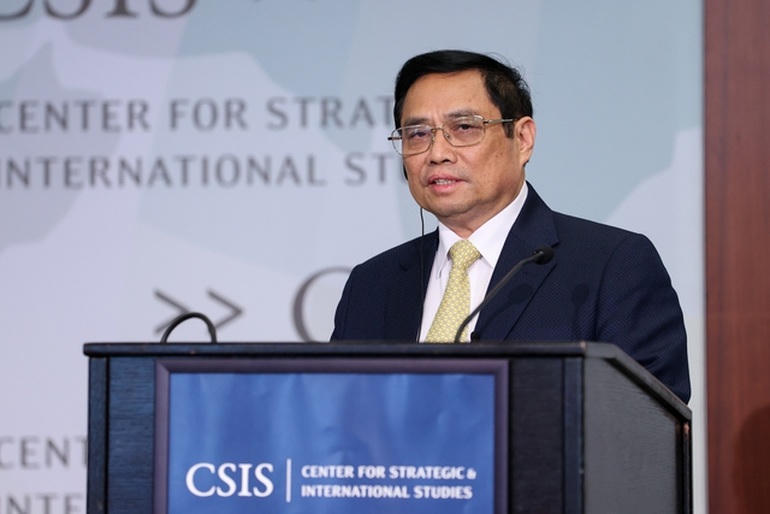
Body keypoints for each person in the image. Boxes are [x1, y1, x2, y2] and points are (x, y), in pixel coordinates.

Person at [330, 50, 690, 403]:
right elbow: (335, 417)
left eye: (464, 127)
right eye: (418, 134)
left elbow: (646, 422)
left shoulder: (612, 266)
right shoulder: (371, 285)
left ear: (522, 139)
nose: (437, 153)